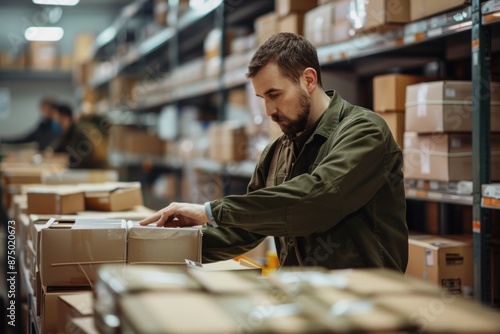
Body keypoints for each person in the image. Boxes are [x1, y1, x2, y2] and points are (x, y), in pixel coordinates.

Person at [139, 32, 408, 272]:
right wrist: (158, 249)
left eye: (275, 95)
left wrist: (211, 211)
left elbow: (319, 198)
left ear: (309, 80)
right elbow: (245, 229)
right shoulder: (276, 151)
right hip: (303, 301)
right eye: (262, 99)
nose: (268, 111)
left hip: (365, 305)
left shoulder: (364, 131)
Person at [45, 102, 110, 169]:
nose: (57, 123)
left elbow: (88, 155)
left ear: (65, 118)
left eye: (59, 120)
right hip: (86, 170)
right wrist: (52, 149)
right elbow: (59, 144)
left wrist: (69, 158)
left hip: (96, 171)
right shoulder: (69, 132)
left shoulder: (81, 130)